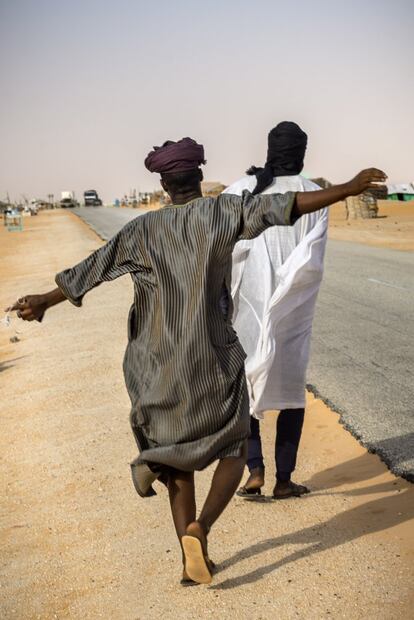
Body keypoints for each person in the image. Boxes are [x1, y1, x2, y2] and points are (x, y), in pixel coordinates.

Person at [7, 136, 386, 585]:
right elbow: (288, 205)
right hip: (212, 357)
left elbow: (90, 270)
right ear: (199, 177)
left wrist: (45, 301)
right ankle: (200, 529)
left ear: (165, 183)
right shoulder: (222, 212)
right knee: (236, 442)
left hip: (152, 365)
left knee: (174, 459)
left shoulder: (139, 231)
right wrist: (345, 187)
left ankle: (191, 558)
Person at [223, 121, 328, 499]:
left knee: (246, 387)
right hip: (292, 310)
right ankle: (284, 480)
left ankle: (255, 473)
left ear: (270, 150)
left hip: (245, 309)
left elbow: (226, 250)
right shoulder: (315, 195)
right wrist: (285, 294)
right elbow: (312, 262)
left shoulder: (240, 191)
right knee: (291, 391)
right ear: (301, 153)